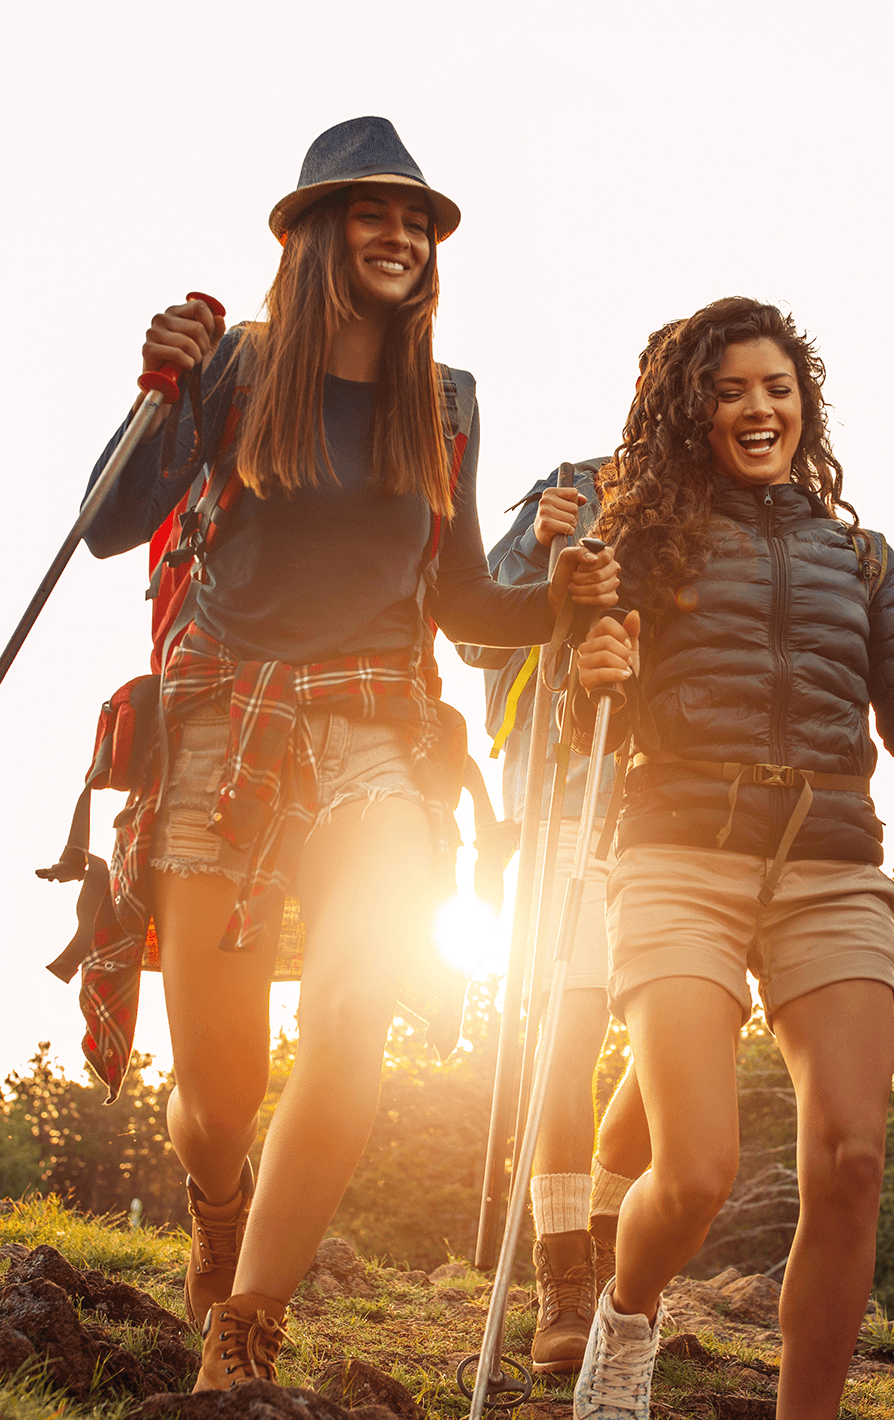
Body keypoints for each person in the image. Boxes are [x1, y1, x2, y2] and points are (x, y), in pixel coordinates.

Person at [77, 116, 616, 1391]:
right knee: (217, 1094)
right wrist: (156, 389)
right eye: (374, 214)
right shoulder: (236, 368)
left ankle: (248, 1319)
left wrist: (558, 592)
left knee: (355, 1013)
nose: (401, 236)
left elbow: (462, 610)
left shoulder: (448, 402)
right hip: (223, 723)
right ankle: (221, 1201)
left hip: (378, 729)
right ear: (314, 234)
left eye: (418, 221)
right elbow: (109, 529)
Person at [569, 297, 894, 1420]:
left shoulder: (862, 558)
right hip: (680, 857)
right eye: (732, 389)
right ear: (690, 409)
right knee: (694, 1173)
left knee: (849, 1162)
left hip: (829, 866)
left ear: (805, 407)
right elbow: (578, 720)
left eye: (777, 389)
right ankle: (626, 1316)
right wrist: (588, 668)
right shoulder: (636, 544)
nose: (758, 408)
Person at [464, 455, 652, 1372]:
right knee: (566, 1036)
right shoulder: (569, 492)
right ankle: (565, 1276)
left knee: (674, 1058)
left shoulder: (733, 504)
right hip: (562, 799)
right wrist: (541, 548)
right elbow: (477, 636)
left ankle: (608, 1233)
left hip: (684, 814)